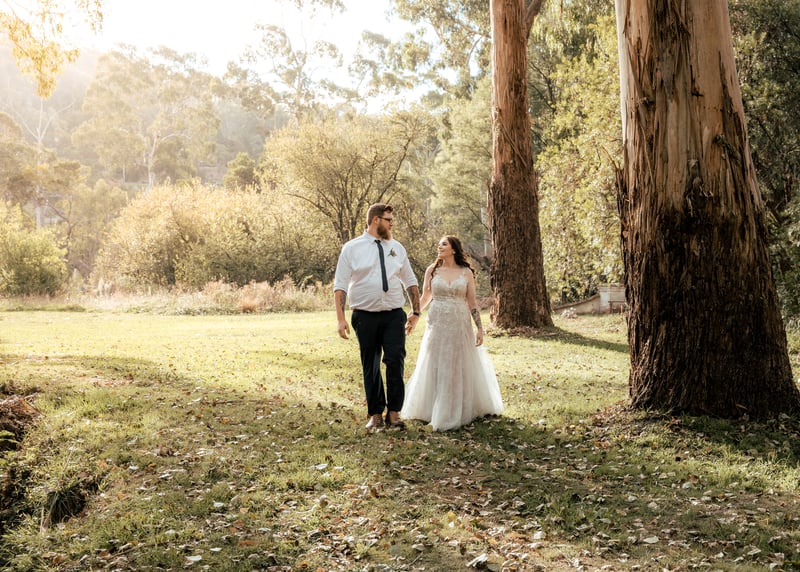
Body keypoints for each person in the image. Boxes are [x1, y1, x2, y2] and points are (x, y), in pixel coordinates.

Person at [400, 235, 503, 431]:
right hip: (437, 322)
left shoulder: (466, 273)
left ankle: (456, 407)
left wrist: (480, 328)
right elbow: (426, 297)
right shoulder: (432, 270)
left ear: (454, 249)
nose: (439, 247)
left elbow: (472, 302)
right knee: (435, 360)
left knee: (456, 362)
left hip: (459, 323)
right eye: (439, 244)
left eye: (444, 244)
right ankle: (431, 407)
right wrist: (415, 314)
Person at [334, 204, 421, 430]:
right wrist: (341, 319)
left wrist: (416, 311)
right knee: (370, 363)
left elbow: (410, 281)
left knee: (395, 361)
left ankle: (394, 413)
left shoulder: (397, 248)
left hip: (394, 316)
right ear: (375, 220)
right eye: (388, 220)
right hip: (365, 316)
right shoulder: (352, 248)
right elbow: (340, 285)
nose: (392, 224)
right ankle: (375, 414)